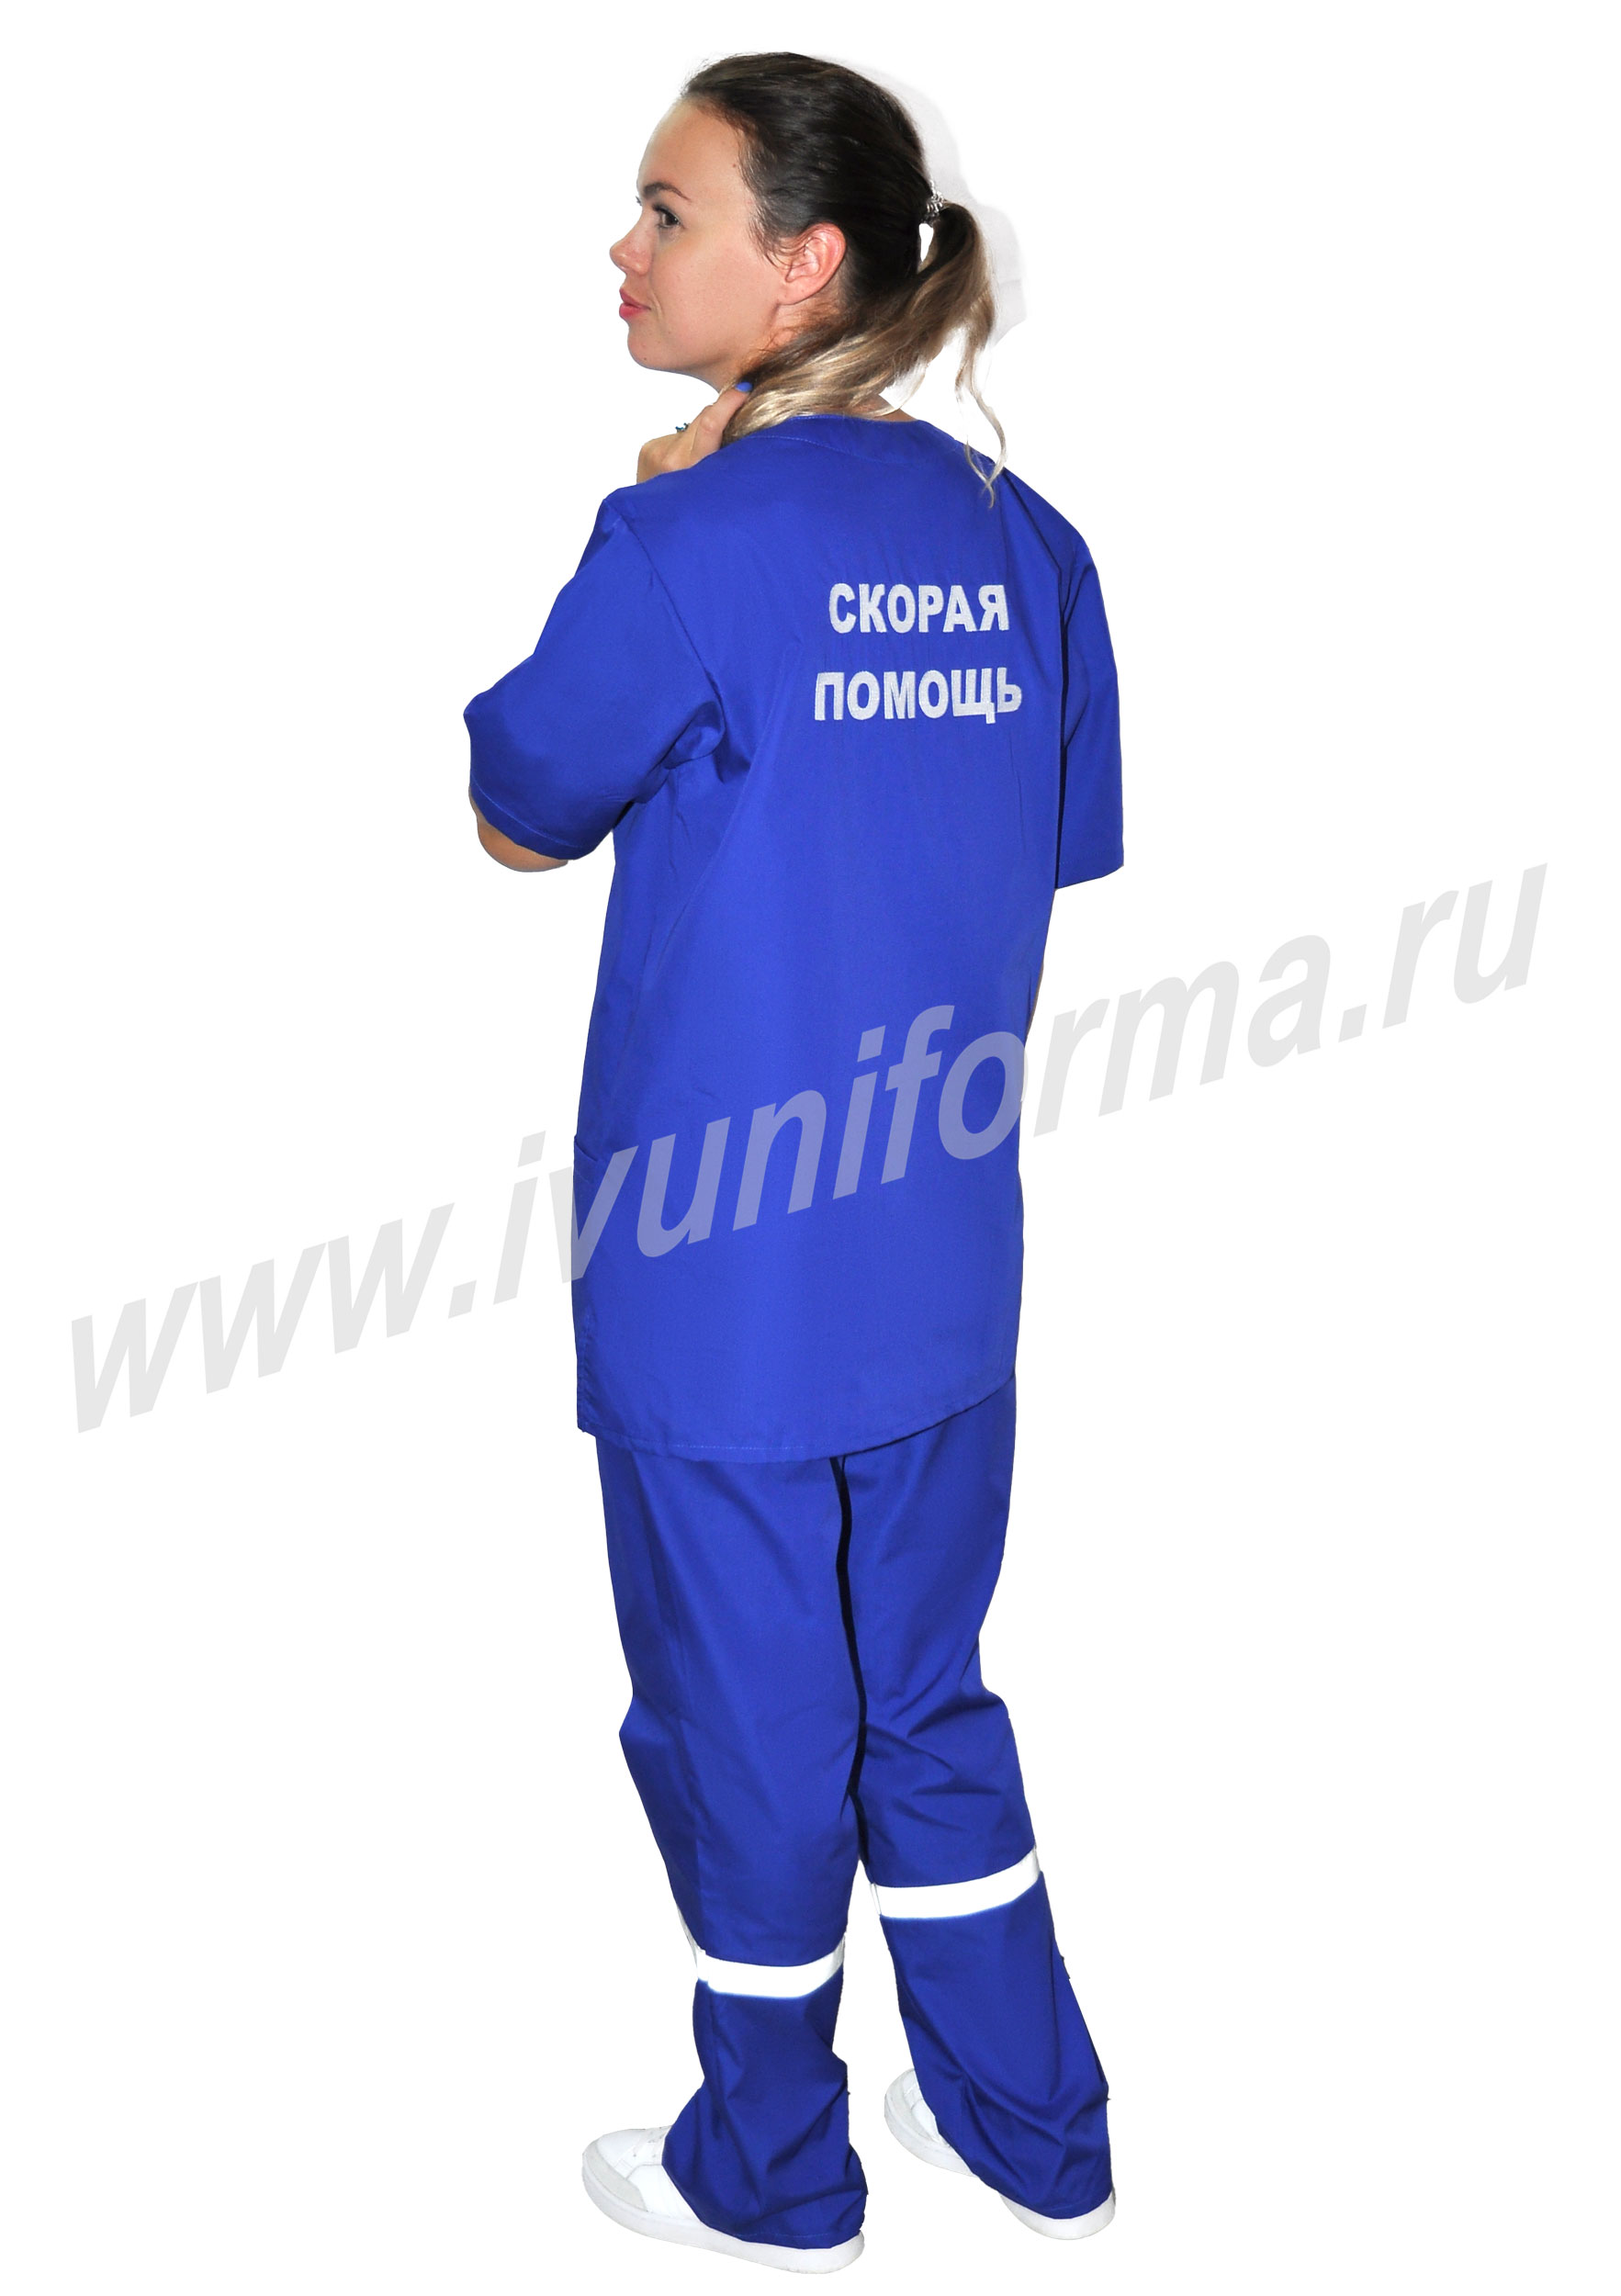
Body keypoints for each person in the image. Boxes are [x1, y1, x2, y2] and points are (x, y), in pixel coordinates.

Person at [465, 51, 1122, 2276]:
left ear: (802, 261)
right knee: (922, 1692)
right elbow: (1036, 852)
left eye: (668, 211)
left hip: (720, 1292)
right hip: (939, 1270)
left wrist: (669, 509)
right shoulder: (1029, 549)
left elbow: (516, 812)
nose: (624, 248)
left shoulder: (676, 544)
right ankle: (1030, 2124)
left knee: (746, 1732)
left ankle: (769, 2165)